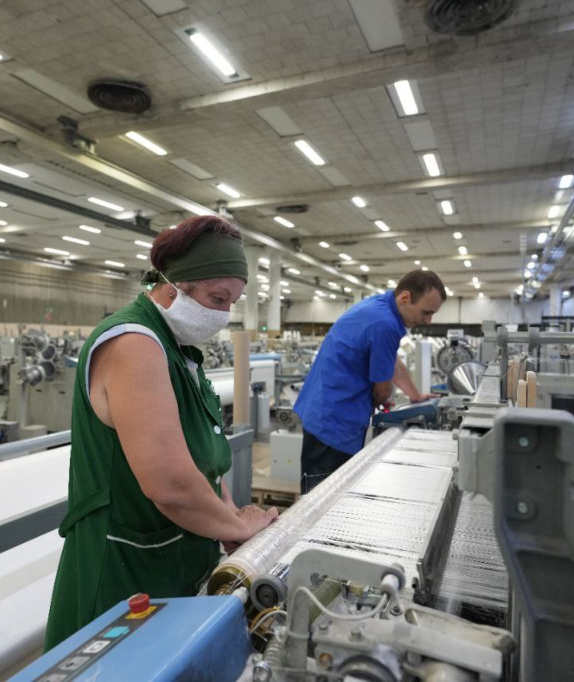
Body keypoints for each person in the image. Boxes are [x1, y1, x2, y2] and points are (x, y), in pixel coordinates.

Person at [45, 216, 278, 649]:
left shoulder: (179, 350)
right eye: (217, 298)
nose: (223, 314)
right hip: (123, 567)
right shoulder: (134, 344)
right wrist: (238, 528)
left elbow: (202, 459)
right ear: (175, 285)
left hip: (175, 557)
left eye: (232, 302)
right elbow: (170, 484)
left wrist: (225, 520)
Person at [294, 270, 446, 493]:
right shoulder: (385, 324)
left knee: (322, 492)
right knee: (323, 498)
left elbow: (390, 360)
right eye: (426, 312)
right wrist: (389, 403)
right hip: (335, 422)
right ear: (405, 298)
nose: (428, 321)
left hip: (323, 410)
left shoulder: (382, 305)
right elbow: (382, 391)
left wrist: (414, 396)